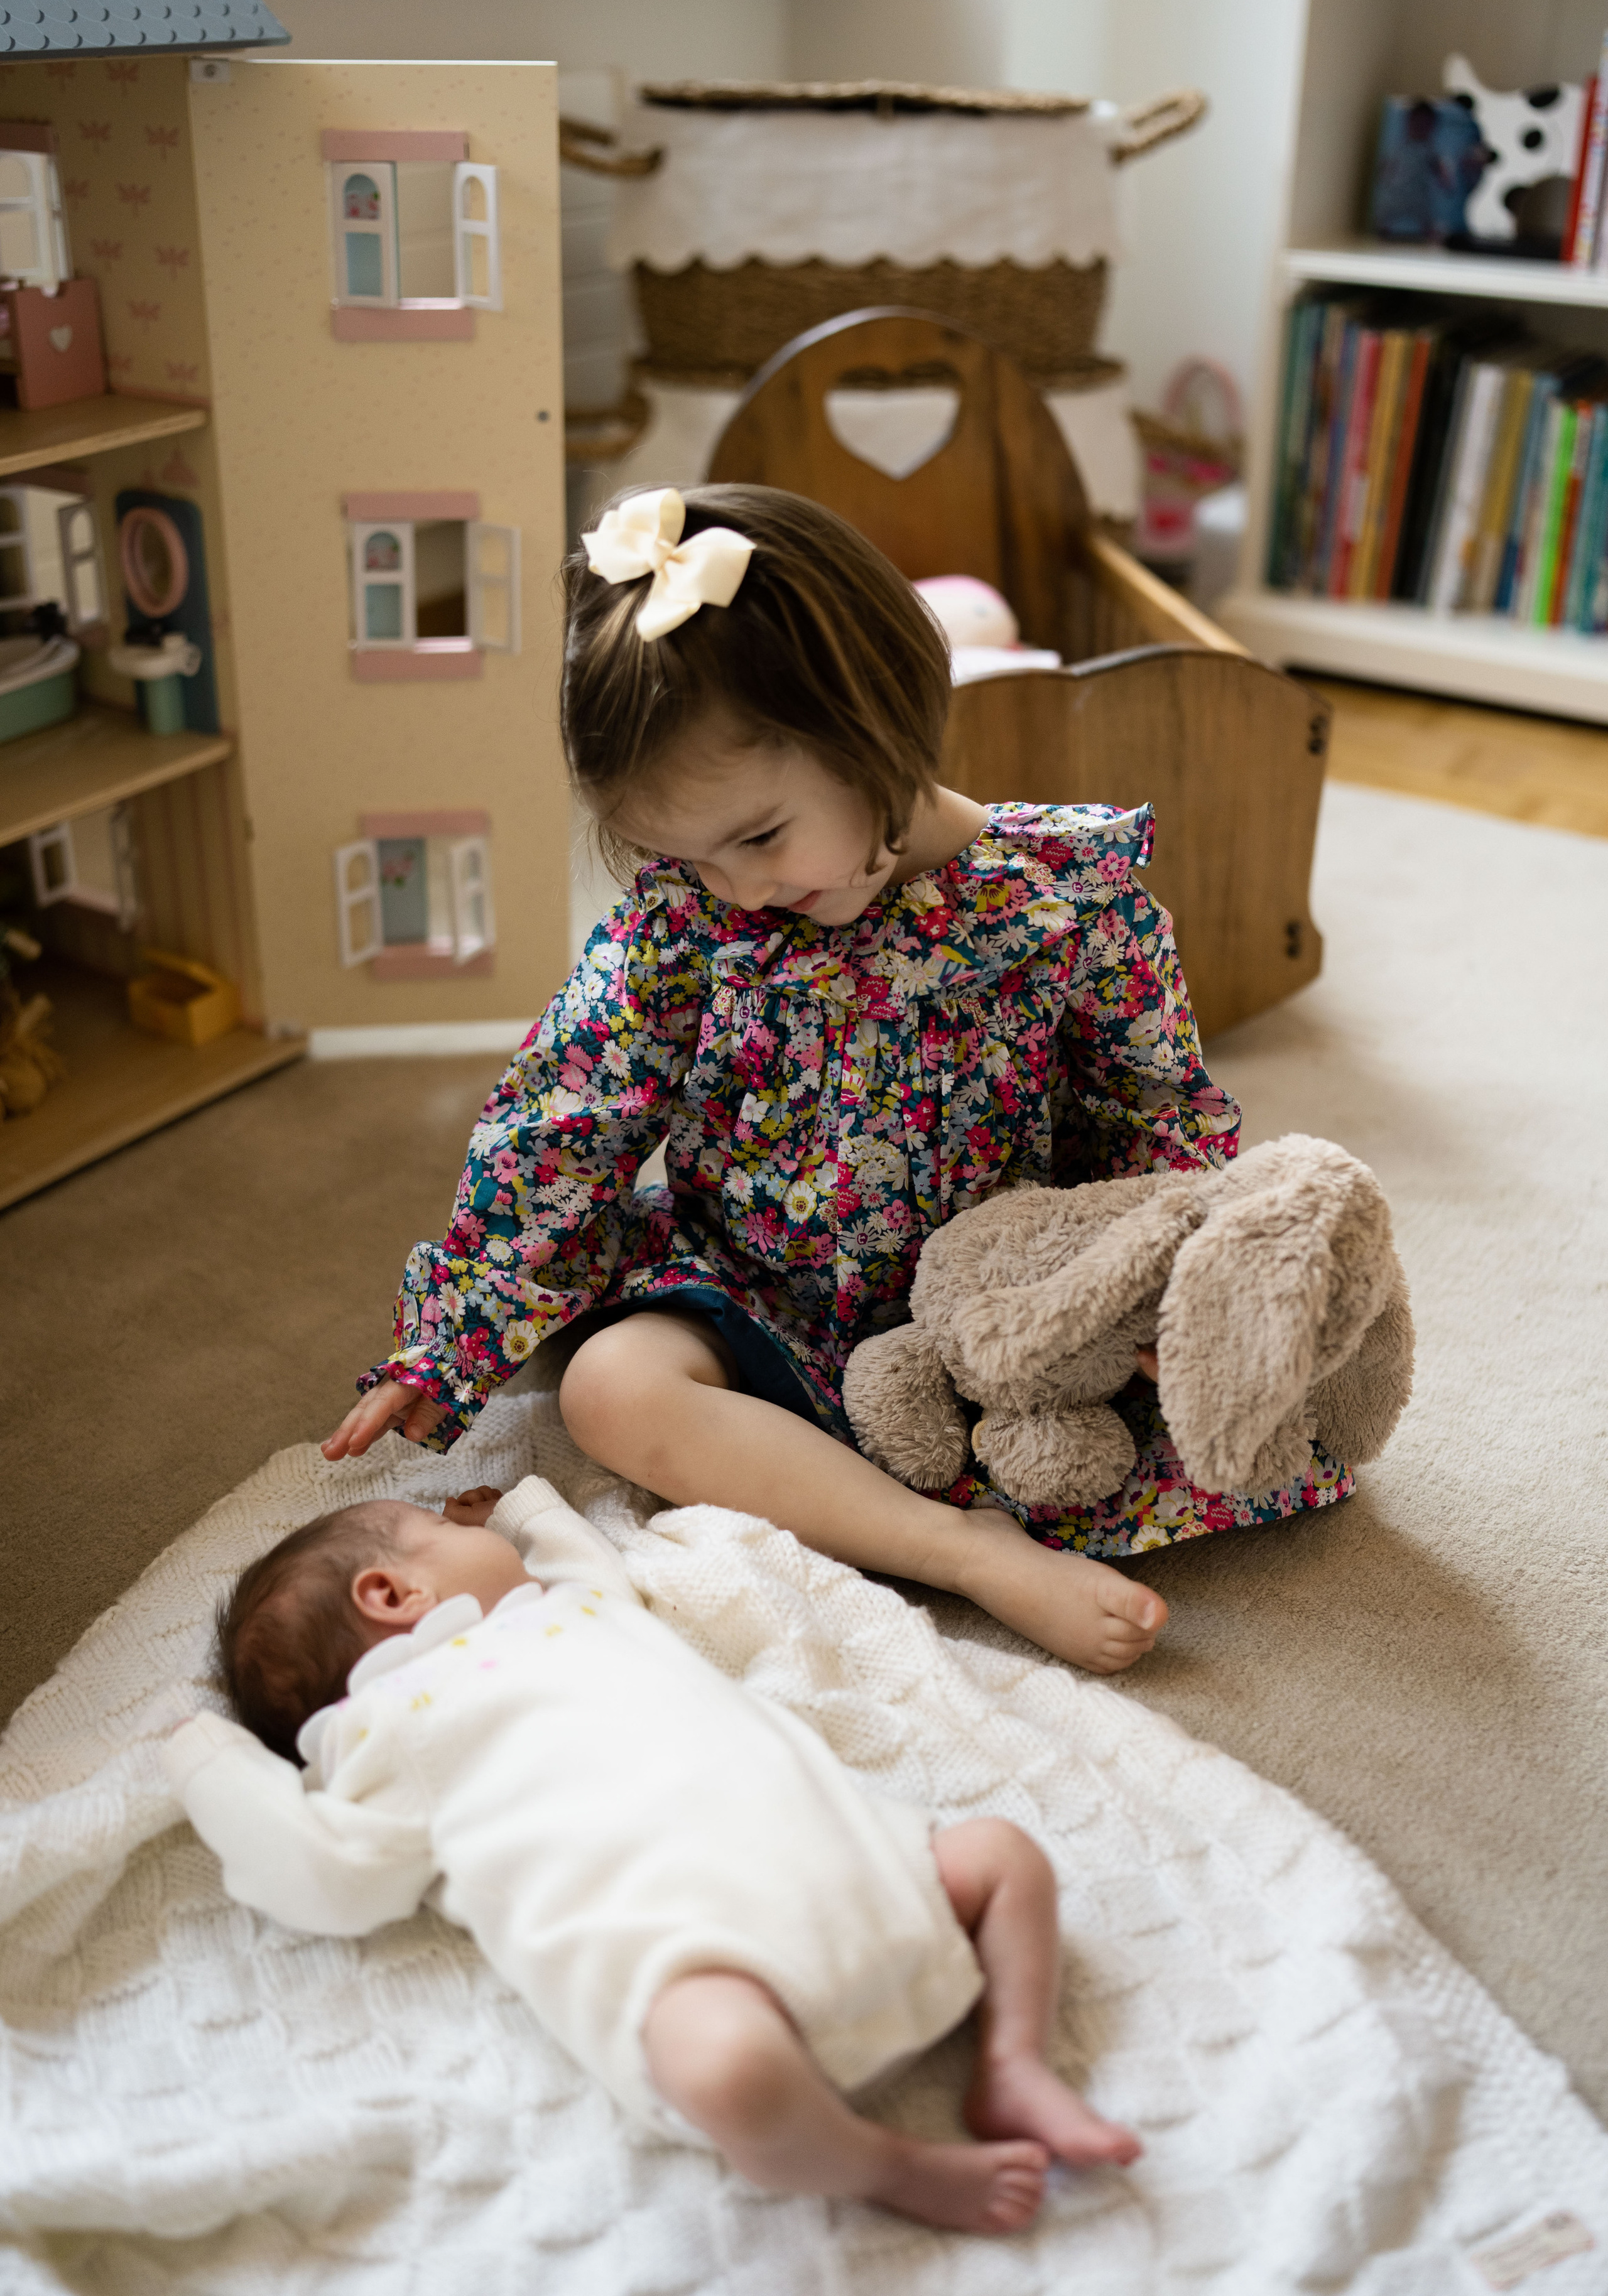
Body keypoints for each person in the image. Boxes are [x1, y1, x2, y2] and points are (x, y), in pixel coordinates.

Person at [322, 485, 1350, 1672]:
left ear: (879, 724)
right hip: (756, 1296)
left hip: (983, 1314)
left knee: (1261, 1408)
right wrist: (454, 1329)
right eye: (685, 855)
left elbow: (1154, 1112)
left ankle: (926, 1483)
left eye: (759, 838)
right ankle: (959, 1549)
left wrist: (1167, 1285)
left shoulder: (1075, 902)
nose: (739, 888)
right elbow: (567, 1117)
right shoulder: (688, 923)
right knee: (608, 1392)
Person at [166, 1478, 1141, 2235]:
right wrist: (204, 1759)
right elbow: (327, 1872)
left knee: (1004, 1856)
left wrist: (522, 1510)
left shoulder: (572, 1613)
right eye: (443, 1528)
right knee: (726, 2072)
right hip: (696, 1956)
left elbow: (590, 1568)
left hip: (865, 1877)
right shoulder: (392, 1732)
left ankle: (1010, 2063)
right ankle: (886, 2166)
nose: (480, 1536)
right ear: (391, 1592)